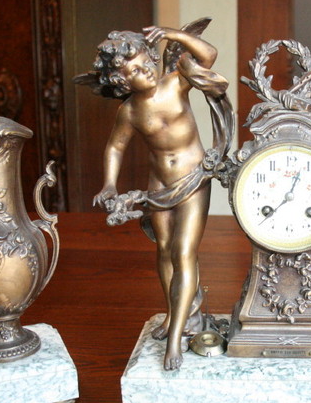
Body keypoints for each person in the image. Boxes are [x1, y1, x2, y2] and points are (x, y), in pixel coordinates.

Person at [77, 22, 231, 370]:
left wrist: (175, 35)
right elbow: (115, 147)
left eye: (145, 61)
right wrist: (109, 184)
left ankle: (176, 338)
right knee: (163, 250)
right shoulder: (130, 111)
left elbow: (208, 55)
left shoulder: (177, 82)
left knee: (184, 252)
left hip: (193, 180)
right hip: (159, 186)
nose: (144, 70)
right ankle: (174, 313)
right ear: (121, 82)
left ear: (152, 56)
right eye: (132, 71)